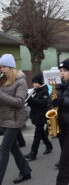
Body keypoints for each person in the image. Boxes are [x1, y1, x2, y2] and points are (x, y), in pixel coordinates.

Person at [0, 54, 32, 184]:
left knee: (4, 149)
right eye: (1, 67)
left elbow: (19, 102)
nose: (1, 69)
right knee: (13, 147)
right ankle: (25, 171)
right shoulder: (3, 80)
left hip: (15, 119)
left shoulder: (21, 81)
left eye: (4, 67)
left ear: (11, 67)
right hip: (4, 118)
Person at [24, 74, 53, 161]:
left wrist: (31, 100)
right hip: (35, 115)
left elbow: (43, 103)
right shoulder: (35, 90)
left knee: (37, 135)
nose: (33, 85)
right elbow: (34, 102)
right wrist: (28, 101)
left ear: (38, 82)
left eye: (34, 83)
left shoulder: (44, 91)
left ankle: (33, 153)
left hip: (41, 116)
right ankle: (49, 145)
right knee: (42, 133)